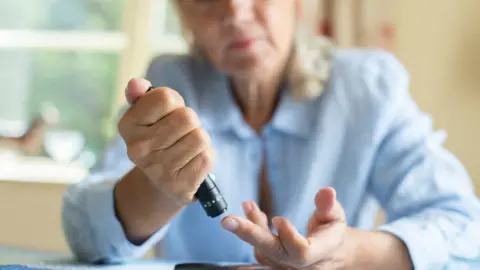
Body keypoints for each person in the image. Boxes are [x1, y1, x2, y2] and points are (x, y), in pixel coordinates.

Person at [62, 0, 480, 269]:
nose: (235, 12)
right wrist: (161, 187)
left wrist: (346, 252)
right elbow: (85, 234)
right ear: (182, 15)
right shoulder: (169, 86)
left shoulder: (370, 87)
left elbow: (464, 227)